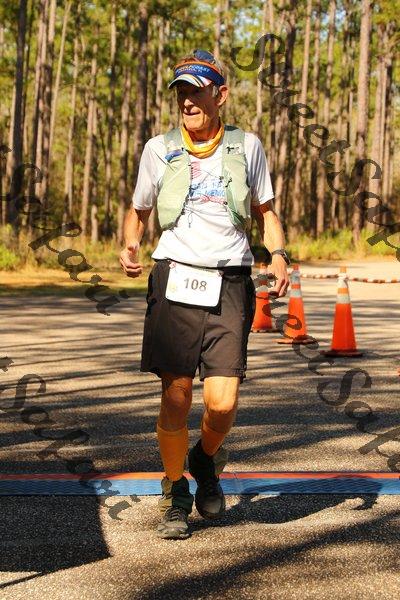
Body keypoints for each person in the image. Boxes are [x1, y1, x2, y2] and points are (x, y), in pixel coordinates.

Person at [120, 49, 290, 539]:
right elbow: (139, 211)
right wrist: (130, 243)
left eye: (196, 91)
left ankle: (204, 457)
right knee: (176, 394)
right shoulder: (159, 148)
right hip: (175, 276)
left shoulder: (246, 146)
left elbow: (266, 211)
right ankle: (175, 490)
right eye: (181, 92)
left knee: (222, 402)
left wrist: (278, 254)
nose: (187, 101)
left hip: (230, 280)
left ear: (221, 95)